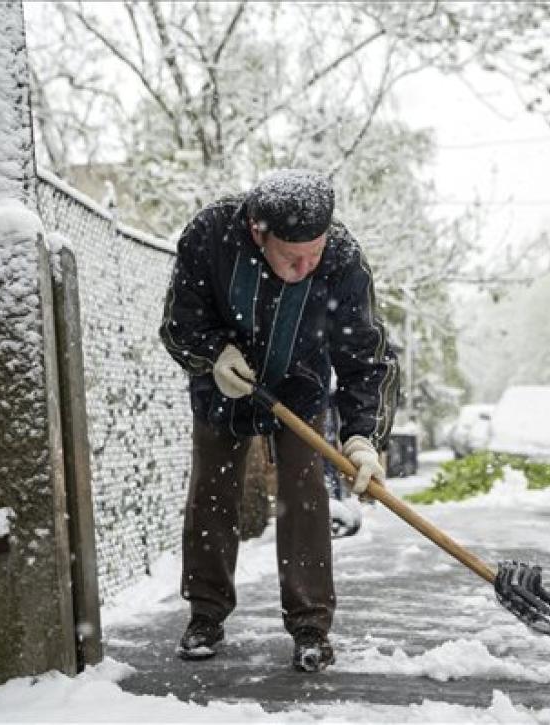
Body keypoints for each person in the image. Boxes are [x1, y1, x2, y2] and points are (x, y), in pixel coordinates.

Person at [159, 169, 399, 672]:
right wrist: (213, 355)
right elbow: (180, 323)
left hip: (300, 382)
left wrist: (362, 437)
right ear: (258, 232)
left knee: (304, 490)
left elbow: (365, 357)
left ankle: (310, 625)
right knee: (212, 490)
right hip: (226, 381)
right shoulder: (210, 235)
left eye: (314, 253)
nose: (307, 266)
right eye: (294, 257)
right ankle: (205, 613)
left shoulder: (342, 258)